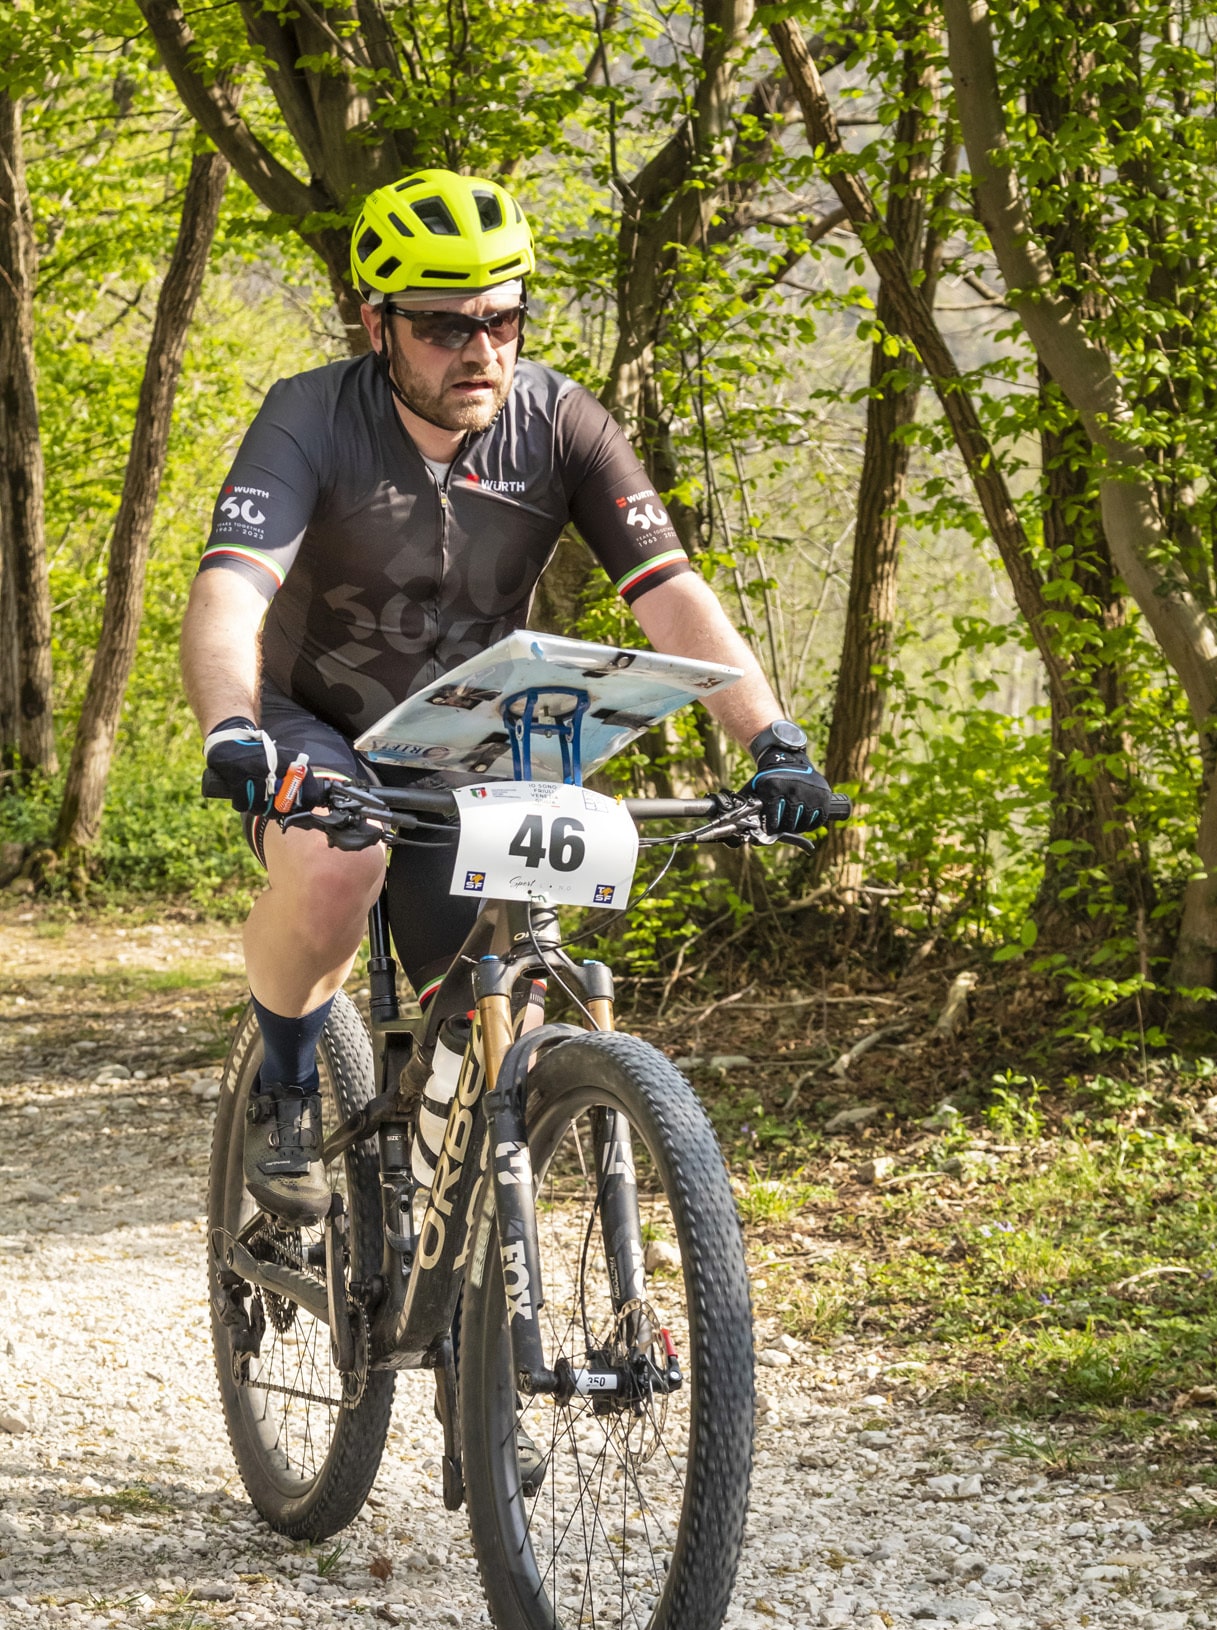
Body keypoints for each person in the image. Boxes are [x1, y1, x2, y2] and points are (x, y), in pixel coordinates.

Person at [182, 168, 838, 1223]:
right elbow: (230, 590)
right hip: (313, 716)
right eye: (443, 326)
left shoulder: (562, 421)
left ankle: (451, 1240)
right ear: (378, 325)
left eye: (501, 319)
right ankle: (286, 1082)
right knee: (338, 870)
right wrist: (231, 727)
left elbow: (670, 593)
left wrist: (772, 742)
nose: (480, 350)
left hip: (465, 733)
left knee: (513, 993)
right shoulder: (309, 416)